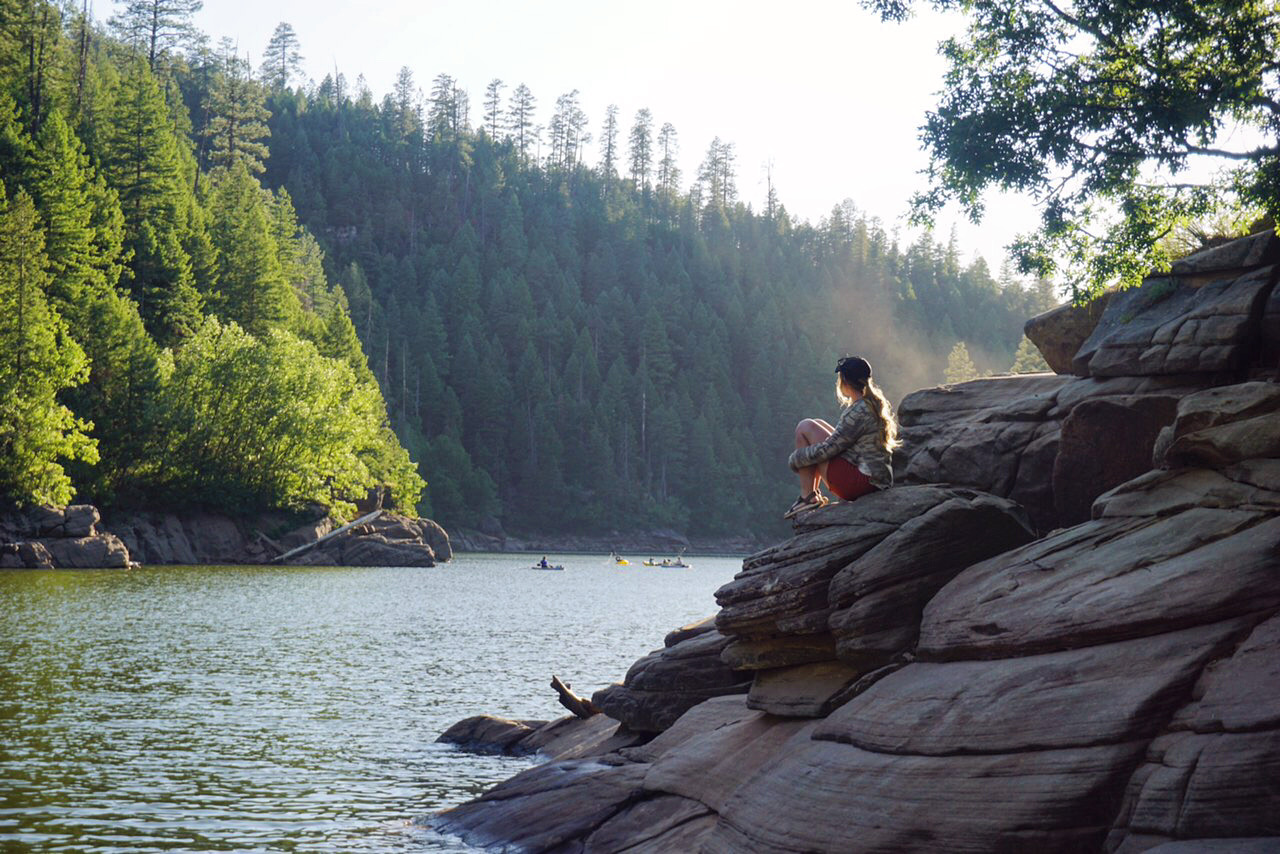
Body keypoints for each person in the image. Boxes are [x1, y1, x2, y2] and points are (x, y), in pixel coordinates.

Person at [784, 355, 900, 519]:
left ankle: (807, 497)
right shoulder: (873, 403)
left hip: (861, 482)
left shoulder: (857, 412)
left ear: (844, 381)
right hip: (875, 478)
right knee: (815, 423)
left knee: (804, 428)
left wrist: (797, 458)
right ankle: (811, 495)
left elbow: (827, 450)